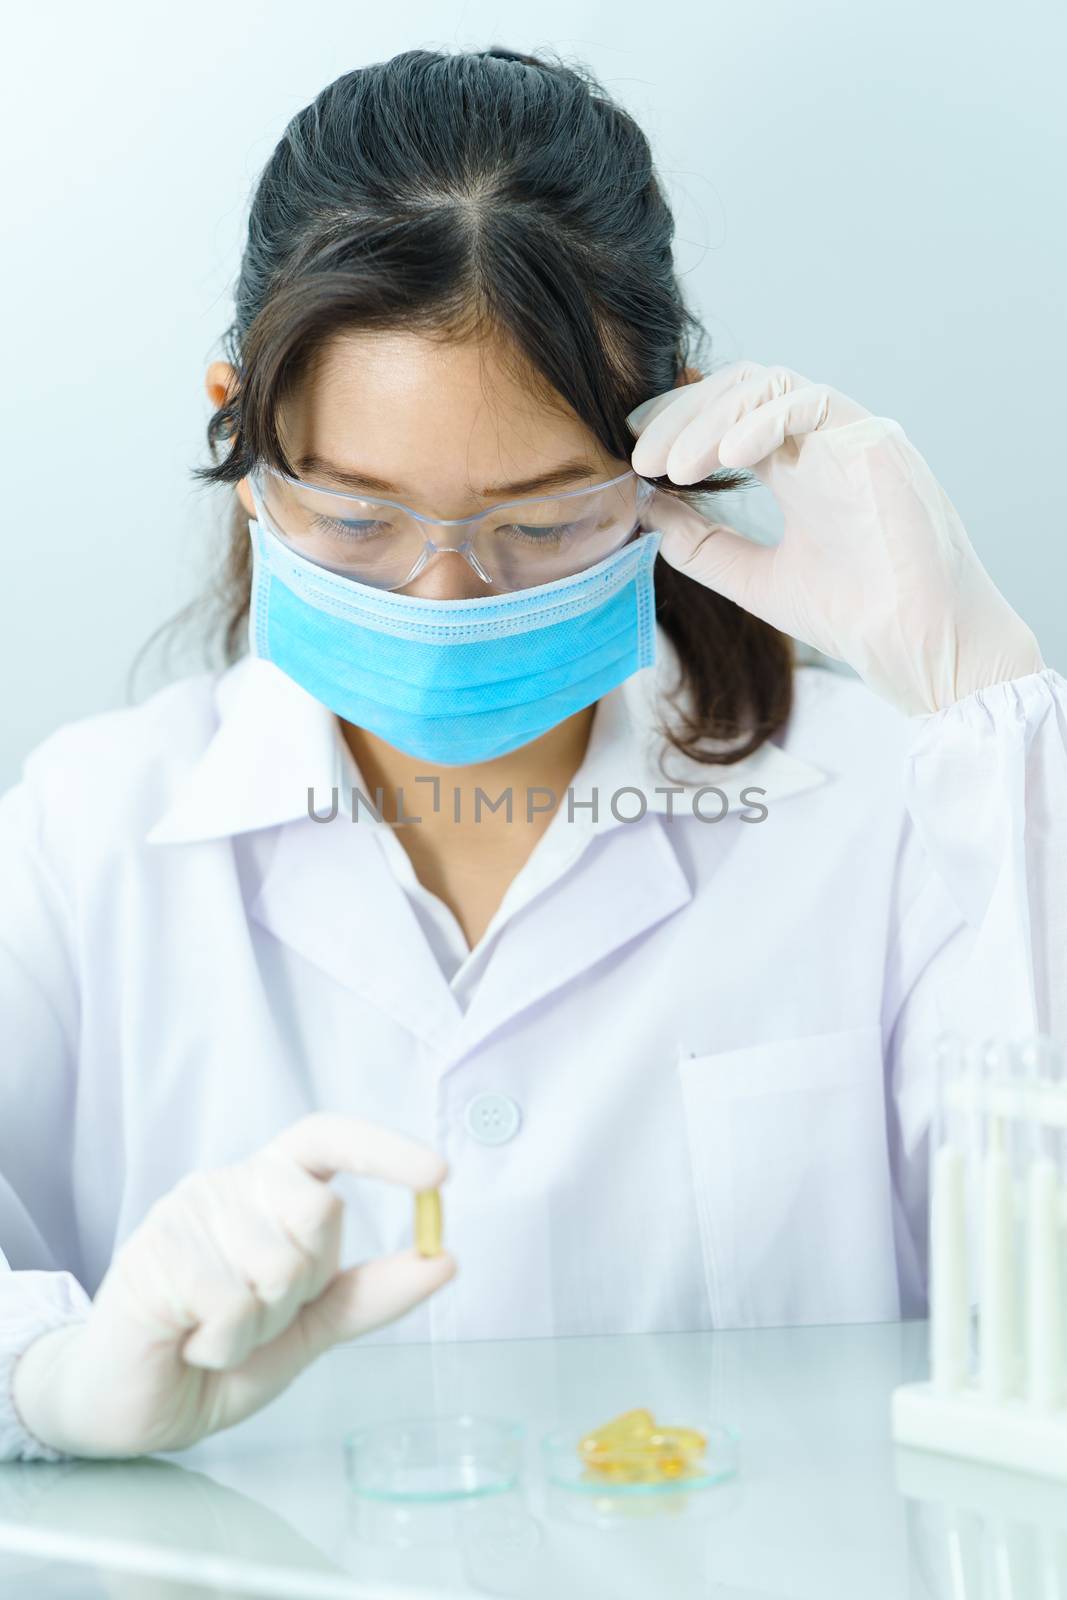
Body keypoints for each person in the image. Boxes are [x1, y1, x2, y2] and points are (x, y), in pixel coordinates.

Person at [1, 45, 1063, 1464]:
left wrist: (988, 700)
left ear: (670, 440)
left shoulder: (888, 808)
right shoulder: (85, 836)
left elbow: (1041, 1304)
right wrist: (47, 1379)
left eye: (542, 522)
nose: (444, 598)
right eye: (359, 519)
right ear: (246, 432)